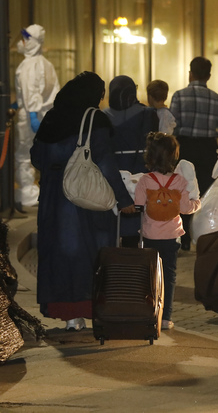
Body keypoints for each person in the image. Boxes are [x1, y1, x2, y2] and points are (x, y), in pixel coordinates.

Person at [30, 72, 136, 331]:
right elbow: (106, 163)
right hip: (84, 201)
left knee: (59, 254)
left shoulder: (52, 118)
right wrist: (123, 199)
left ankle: (68, 316)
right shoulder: (94, 119)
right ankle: (86, 311)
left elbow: (35, 157)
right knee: (89, 255)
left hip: (53, 200)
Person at [134, 132, 201, 330]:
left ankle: (148, 313)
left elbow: (138, 205)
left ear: (150, 156)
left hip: (149, 235)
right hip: (172, 236)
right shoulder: (179, 181)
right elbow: (186, 208)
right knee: (169, 277)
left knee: (149, 275)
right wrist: (197, 204)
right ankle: (165, 318)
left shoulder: (145, 181)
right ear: (174, 156)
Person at [170, 56, 218, 251]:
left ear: (190, 73)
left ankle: (185, 239)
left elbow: (172, 127)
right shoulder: (217, 99)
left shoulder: (179, 96)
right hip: (208, 149)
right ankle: (204, 238)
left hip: (185, 148)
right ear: (208, 76)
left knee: (183, 191)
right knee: (205, 194)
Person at [103, 75, 159, 247]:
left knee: (114, 221)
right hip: (142, 171)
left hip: (113, 173)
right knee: (139, 224)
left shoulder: (103, 116)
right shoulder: (148, 114)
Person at [14, 24, 60, 209]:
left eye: (26, 38)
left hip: (31, 117)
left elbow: (31, 91)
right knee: (46, 156)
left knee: (24, 156)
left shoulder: (28, 65)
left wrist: (31, 114)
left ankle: (27, 193)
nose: (22, 42)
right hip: (46, 117)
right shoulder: (45, 63)